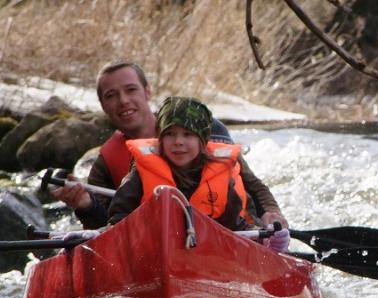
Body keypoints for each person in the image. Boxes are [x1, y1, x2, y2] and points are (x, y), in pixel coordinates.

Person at [51, 61, 287, 229]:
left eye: (130, 90)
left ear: (147, 92)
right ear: (102, 105)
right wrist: (85, 206)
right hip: (155, 245)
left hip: (234, 234)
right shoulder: (107, 163)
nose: (123, 101)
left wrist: (272, 217)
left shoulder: (206, 129)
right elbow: (109, 227)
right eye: (111, 95)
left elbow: (252, 186)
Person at [107, 96, 289, 251]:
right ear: (159, 140)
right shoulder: (140, 173)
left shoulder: (221, 176)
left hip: (208, 255)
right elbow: (118, 220)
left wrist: (265, 240)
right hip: (151, 251)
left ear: (203, 142)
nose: (178, 141)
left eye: (187, 134)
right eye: (170, 134)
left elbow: (237, 226)